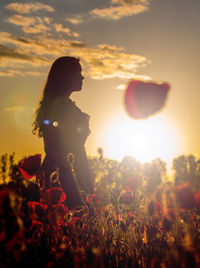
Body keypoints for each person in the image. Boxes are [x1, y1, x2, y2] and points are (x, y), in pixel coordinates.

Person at [32, 56, 93, 209]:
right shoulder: (59, 107)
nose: (82, 77)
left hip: (67, 167)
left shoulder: (61, 105)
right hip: (62, 172)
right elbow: (53, 147)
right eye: (78, 72)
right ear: (67, 76)